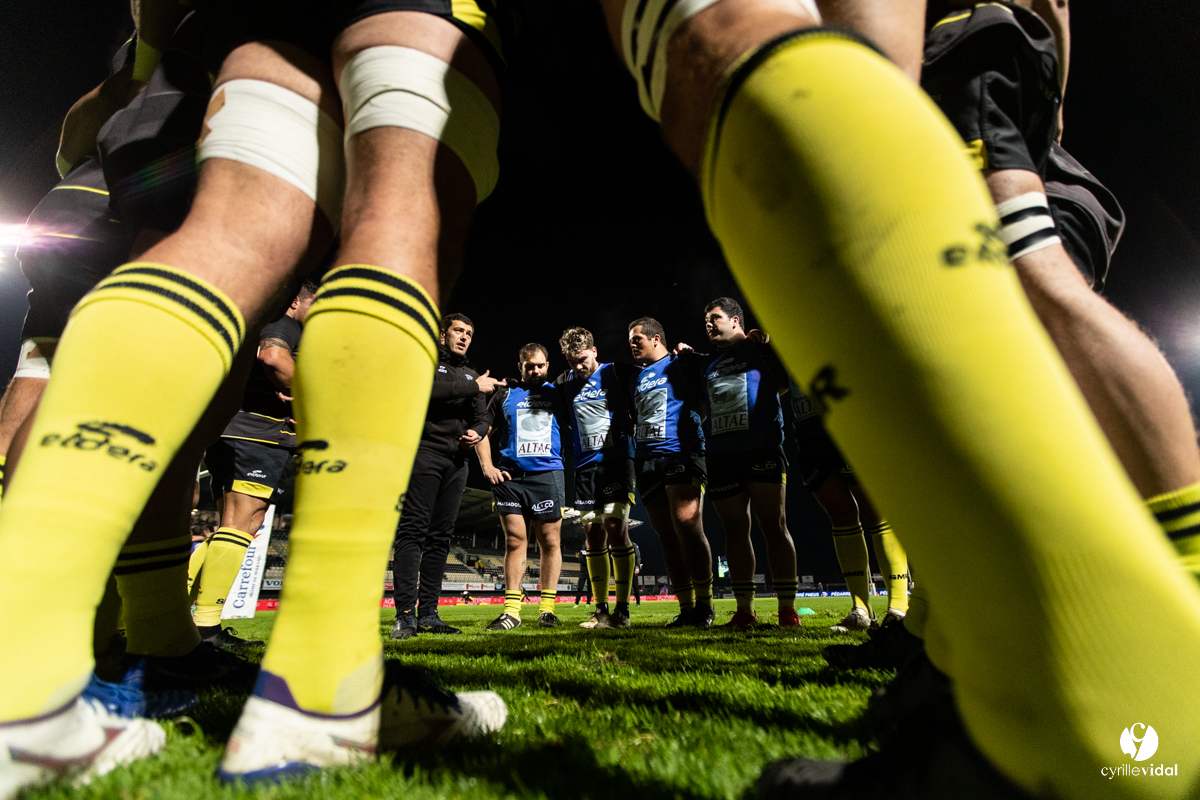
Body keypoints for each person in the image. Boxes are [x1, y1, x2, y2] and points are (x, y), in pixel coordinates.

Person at [596, 0, 1200, 795]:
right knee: (1044, 296)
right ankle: (986, 653)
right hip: (1009, 82)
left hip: (963, 71)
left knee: (732, 63)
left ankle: (1078, 701)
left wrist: (888, 120)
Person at [0, 0, 512, 789]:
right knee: (399, 223)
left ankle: (23, 689)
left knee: (218, 244)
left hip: (245, 16)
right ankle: (324, 691)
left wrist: (149, 59)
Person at [193, 287, 316, 649]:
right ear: (296, 300)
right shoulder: (283, 323)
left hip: (236, 429)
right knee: (241, 522)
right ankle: (204, 628)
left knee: (238, 525)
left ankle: (177, 616)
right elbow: (273, 357)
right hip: (256, 433)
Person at [388, 313, 502, 640]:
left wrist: (475, 432)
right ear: (443, 334)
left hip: (458, 462)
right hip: (424, 454)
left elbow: (483, 420)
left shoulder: (472, 374)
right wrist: (472, 385)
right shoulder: (426, 363)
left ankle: (429, 614)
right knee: (413, 531)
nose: (464, 337)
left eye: (469, 333)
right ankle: (405, 615)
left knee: (441, 537)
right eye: (459, 331)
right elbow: (422, 392)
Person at [699, 299, 800, 628]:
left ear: (736, 320)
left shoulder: (759, 348)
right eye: (706, 321)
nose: (709, 325)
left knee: (774, 526)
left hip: (762, 448)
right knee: (734, 531)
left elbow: (785, 382)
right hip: (720, 454)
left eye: (715, 318)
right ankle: (745, 611)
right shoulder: (708, 364)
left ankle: (787, 610)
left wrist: (768, 345)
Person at [627, 318, 715, 628]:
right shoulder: (636, 379)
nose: (633, 344)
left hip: (681, 452)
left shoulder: (681, 362)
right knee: (666, 535)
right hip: (646, 460)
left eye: (637, 338)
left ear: (656, 338)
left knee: (687, 525)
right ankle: (686, 607)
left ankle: (705, 605)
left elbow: (710, 387)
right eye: (630, 341)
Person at [477, 344, 569, 631]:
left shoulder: (558, 393)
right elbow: (482, 432)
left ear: (548, 365)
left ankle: (547, 609)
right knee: (515, 541)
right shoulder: (505, 394)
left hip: (548, 475)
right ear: (520, 367)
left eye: (540, 366)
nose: (535, 371)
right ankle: (512, 612)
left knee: (550, 542)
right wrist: (487, 467)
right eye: (530, 366)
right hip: (510, 478)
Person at [558, 327, 640, 629]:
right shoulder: (564, 384)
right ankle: (601, 610)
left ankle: (623, 610)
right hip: (584, 469)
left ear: (593, 351)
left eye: (581, 359)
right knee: (593, 535)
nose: (577, 367)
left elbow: (654, 373)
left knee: (617, 526)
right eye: (570, 362)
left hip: (618, 462)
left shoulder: (618, 372)